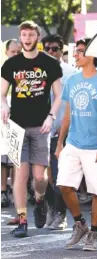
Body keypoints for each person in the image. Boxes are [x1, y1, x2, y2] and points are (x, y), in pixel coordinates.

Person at [1, 21, 63, 238]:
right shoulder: (11, 64)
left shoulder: (50, 63)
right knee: (20, 174)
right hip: (17, 126)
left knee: (39, 177)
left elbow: (58, 95)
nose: (27, 38)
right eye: (24, 35)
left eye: (30, 35)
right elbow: (1, 93)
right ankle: (22, 220)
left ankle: (39, 200)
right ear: (20, 37)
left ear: (37, 37)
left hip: (41, 127)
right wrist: (5, 105)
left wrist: (51, 117)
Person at [55, 38, 97, 251]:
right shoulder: (71, 80)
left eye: (80, 51)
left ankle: (94, 234)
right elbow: (68, 115)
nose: (76, 55)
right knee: (63, 185)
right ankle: (80, 224)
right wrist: (60, 143)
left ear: (92, 56)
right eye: (76, 51)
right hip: (73, 143)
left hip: (96, 145)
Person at [41, 34, 77, 230]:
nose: (50, 52)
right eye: (47, 48)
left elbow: (72, 104)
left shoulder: (70, 73)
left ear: (62, 51)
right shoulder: (37, 71)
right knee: (41, 176)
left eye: (54, 48)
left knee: (58, 174)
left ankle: (61, 214)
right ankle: (50, 210)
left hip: (61, 131)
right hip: (39, 130)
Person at [1, 39, 22, 208]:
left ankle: (16, 190)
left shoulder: (24, 71)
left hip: (20, 118)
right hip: (2, 117)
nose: (15, 55)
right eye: (12, 52)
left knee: (16, 158)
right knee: (2, 158)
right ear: (6, 52)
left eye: (18, 52)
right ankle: (2, 190)